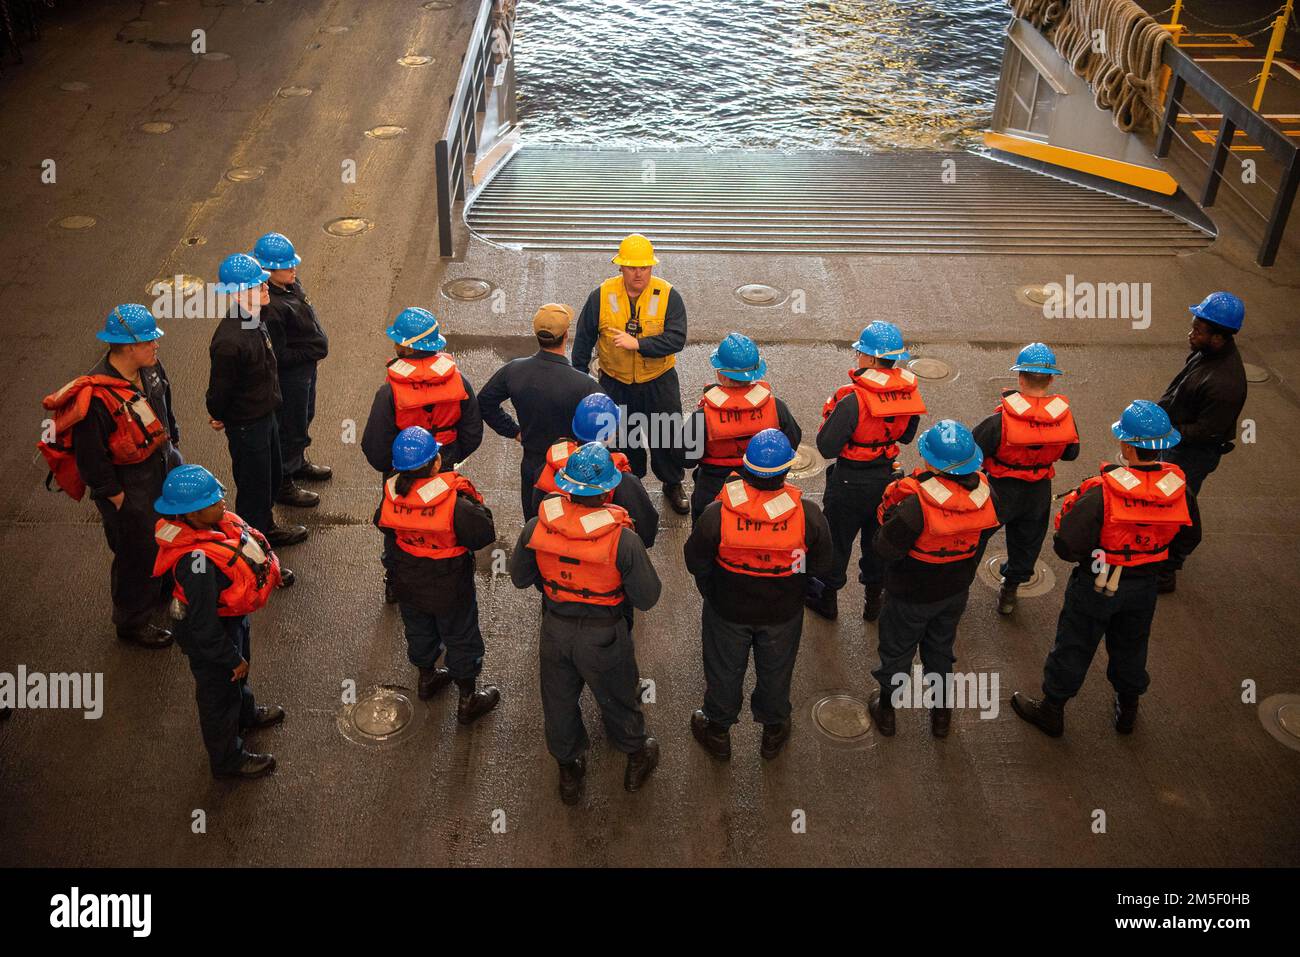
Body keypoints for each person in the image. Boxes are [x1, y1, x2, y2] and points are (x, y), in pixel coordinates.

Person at [1011, 401, 1200, 738]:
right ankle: (1128, 709)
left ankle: (1052, 709)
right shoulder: (1180, 490)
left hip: (1097, 583)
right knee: (1132, 644)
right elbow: (1190, 537)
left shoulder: (1102, 493)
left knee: (1075, 644)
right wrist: (1161, 565)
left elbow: (1066, 545)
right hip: (1143, 586)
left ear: (1127, 445)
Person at [508, 443, 662, 806]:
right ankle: (636, 756)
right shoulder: (623, 539)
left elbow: (518, 577)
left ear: (566, 486)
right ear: (609, 490)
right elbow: (648, 597)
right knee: (619, 698)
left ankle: (569, 769)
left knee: (558, 701)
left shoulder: (536, 527)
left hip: (555, 631)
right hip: (604, 637)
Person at [39, 304, 182, 648]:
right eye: (149, 341)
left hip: (159, 466)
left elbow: (166, 406)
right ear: (128, 346)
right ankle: (132, 622)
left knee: (166, 532)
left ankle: (161, 591)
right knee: (136, 550)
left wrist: (172, 443)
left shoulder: (149, 369)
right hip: (127, 484)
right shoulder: (96, 399)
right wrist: (115, 496)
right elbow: (91, 459)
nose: (156, 345)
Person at [684, 430, 831, 761]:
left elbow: (695, 561)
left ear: (746, 468)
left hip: (727, 611)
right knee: (777, 671)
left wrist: (712, 591)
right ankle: (774, 730)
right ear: (785, 471)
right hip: (782, 613)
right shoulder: (808, 516)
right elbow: (822, 565)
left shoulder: (716, 515)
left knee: (723, 671)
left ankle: (718, 730)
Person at [152, 465, 289, 779]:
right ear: (193, 514)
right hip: (212, 639)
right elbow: (202, 625)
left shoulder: (210, 527)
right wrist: (230, 658)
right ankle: (228, 761)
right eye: (214, 502)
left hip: (230, 621)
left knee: (238, 681)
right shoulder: (196, 564)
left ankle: (246, 714)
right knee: (218, 698)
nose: (223, 504)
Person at [870, 420, 1001, 739]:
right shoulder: (987, 493)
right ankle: (941, 715)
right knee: (941, 649)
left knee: (897, 650)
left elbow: (885, 548)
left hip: (910, 594)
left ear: (931, 461)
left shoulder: (915, 503)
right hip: (954, 590)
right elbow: (987, 530)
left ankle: (886, 708)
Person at [376, 427, 500, 723]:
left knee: (419, 629)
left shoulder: (392, 496)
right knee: (461, 636)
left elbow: (383, 524)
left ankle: (427, 677)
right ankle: (468, 699)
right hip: (449, 584)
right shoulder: (454, 504)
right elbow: (483, 533)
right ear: (436, 464)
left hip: (407, 578)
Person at [805, 321, 926, 622]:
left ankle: (828, 601)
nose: (857, 357)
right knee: (877, 543)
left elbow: (826, 447)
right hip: (886, 480)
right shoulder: (908, 394)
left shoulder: (853, 400)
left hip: (849, 482)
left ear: (871, 359)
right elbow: (908, 435)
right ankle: (874, 603)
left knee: (837, 542)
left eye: (860, 353)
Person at [569, 234, 690, 515]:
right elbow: (584, 339)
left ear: (652, 267)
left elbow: (676, 339)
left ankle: (672, 483)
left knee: (666, 436)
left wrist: (639, 344)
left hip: (658, 381)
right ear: (620, 267)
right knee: (621, 439)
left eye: (644, 267)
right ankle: (629, 487)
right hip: (615, 382)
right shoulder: (601, 295)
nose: (639, 273)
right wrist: (580, 379)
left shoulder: (668, 295)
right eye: (632, 267)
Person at [206, 253, 307, 548]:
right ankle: (255, 551)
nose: (266, 286)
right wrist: (219, 413)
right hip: (248, 426)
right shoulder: (229, 341)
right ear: (237, 293)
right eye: (257, 284)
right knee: (254, 490)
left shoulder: (254, 319)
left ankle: (267, 526)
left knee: (271, 478)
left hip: (266, 416)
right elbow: (219, 389)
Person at [973, 343, 1079, 615]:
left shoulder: (999, 421)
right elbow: (1071, 453)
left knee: (976, 535)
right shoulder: (1064, 418)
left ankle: (959, 585)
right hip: (1038, 492)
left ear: (1020, 377)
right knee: (1027, 542)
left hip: (999, 489)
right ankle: (1009, 592)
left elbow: (973, 450)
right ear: (1051, 379)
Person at [1155, 291, 1246, 593]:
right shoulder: (1206, 354)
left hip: (1193, 453)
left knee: (1179, 505)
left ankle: (1168, 569)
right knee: (1166, 498)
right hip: (1178, 442)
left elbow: (1207, 431)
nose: (1190, 334)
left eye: (1197, 330)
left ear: (1219, 337)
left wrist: (1166, 430)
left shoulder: (1225, 385)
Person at [479, 303, 601, 517]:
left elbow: (485, 402)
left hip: (533, 464)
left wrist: (515, 431)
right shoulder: (585, 385)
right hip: (573, 468)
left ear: (537, 335)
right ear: (566, 335)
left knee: (536, 522)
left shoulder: (514, 370)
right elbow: (605, 427)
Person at [681, 332, 801, 523]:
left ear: (721, 375)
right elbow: (792, 442)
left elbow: (686, 459)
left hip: (713, 487)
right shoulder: (776, 408)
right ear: (756, 373)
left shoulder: (702, 417)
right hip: (764, 485)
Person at [252, 232, 331, 510]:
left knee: (305, 415)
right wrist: (312, 351)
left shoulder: (290, 284)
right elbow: (278, 355)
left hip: (306, 370)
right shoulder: (270, 307)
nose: (293, 268)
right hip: (291, 377)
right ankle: (284, 482)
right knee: (290, 426)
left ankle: (297, 463)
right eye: (286, 265)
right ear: (267, 270)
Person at [361, 307, 483, 476]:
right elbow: (473, 432)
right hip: (444, 463)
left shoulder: (389, 393)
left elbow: (375, 445)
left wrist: (394, 466)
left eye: (398, 342)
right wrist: (450, 456)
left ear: (410, 349)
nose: (395, 345)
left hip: (401, 468)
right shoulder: (460, 382)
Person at [532, 392, 658, 548]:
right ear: (609, 435)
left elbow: (536, 513)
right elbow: (646, 532)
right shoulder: (624, 483)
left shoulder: (547, 469)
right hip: (603, 558)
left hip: (555, 552)